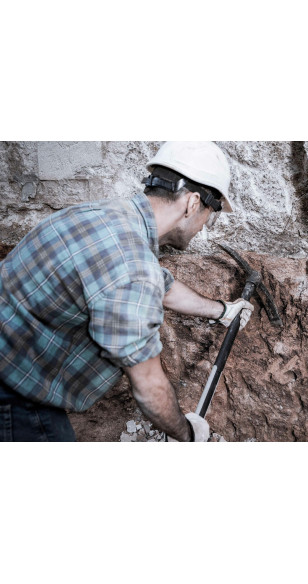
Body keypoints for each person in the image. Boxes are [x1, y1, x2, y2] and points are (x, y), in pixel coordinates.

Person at [0, 141, 254, 442]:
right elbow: (147, 386)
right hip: (12, 394)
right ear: (192, 203)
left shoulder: (105, 215)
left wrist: (222, 310)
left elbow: (159, 285)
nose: (204, 226)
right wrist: (187, 434)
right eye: (209, 214)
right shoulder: (134, 269)